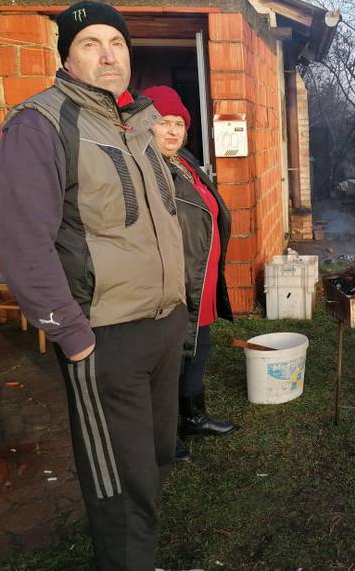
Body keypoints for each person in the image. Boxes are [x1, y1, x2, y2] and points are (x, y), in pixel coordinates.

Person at [0, 1, 187, 569]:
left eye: (117, 43)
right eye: (89, 43)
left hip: (162, 327)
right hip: (103, 337)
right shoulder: (41, 124)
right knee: (119, 487)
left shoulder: (138, 125)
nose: (108, 55)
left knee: (152, 461)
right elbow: (26, 245)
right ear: (68, 57)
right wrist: (72, 334)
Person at [143, 85, 238, 463]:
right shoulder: (148, 169)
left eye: (178, 123)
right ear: (145, 126)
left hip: (201, 280)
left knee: (197, 352)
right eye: (162, 122)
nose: (171, 130)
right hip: (173, 285)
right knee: (170, 362)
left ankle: (193, 418)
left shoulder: (184, 161)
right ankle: (163, 435)